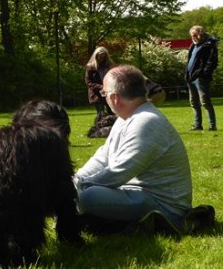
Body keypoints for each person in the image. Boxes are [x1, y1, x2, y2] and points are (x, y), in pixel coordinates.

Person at [74, 65, 192, 232]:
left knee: (89, 197)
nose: (104, 98)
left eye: (104, 94)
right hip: (136, 192)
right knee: (84, 191)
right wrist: (76, 179)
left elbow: (119, 172)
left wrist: (79, 186)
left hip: (165, 206)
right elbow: (103, 157)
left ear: (115, 98)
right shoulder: (126, 118)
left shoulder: (146, 122)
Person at [185, 25, 218, 131]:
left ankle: (212, 126)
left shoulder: (209, 45)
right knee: (193, 102)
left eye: (194, 35)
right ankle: (197, 125)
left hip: (201, 78)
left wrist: (203, 74)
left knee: (205, 102)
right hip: (191, 77)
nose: (192, 37)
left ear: (200, 34)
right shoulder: (193, 45)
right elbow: (190, 61)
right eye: (191, 35)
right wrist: (187, 74)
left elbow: (212, 62)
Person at [84, 46, 116, 137]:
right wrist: (101, 87)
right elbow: (89, 82)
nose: (102, 58)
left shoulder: (109, 66)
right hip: (97, 94)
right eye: (100, 56)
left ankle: (113, 129)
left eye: (104, 56)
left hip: (108, 92)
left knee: (111, 111)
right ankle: (97, 131)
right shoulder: (90, 67)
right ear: (96, 56)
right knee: (100, 113)